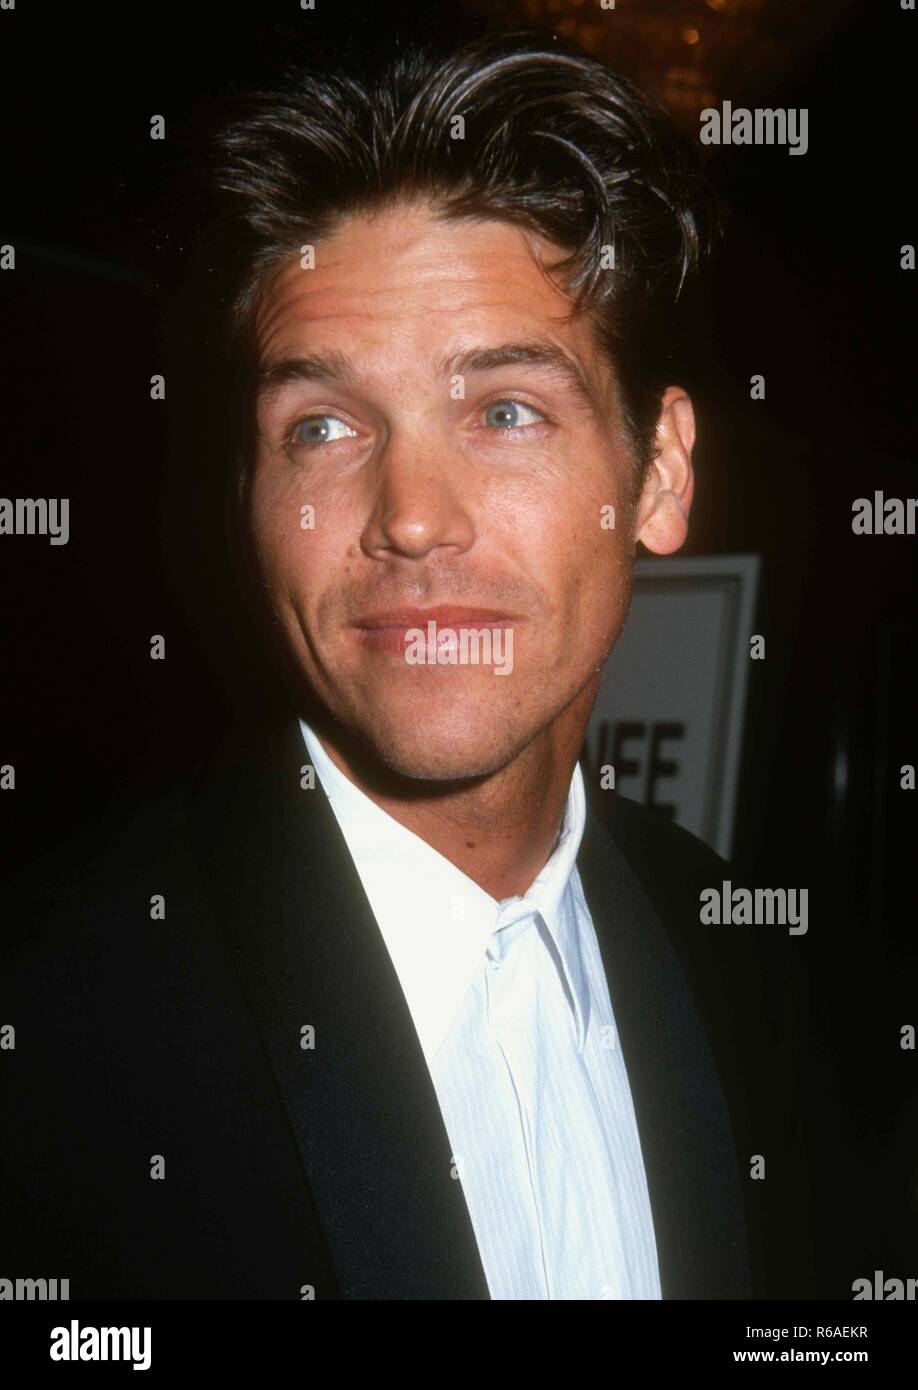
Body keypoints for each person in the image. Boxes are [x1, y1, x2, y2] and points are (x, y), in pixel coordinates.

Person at [0, 30, 815, 1300]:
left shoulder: (770, 984)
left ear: (658, 474)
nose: (412, 514)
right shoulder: (57, 1036)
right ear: (247, 493)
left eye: (503, 410)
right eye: (322, 426)